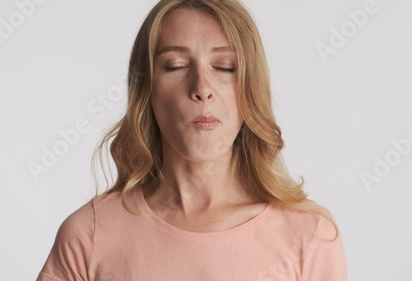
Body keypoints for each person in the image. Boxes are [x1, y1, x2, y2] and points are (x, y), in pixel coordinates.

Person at [36, 0, 347, 280]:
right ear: (146, 91)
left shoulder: (310, 234)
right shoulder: (89, 235)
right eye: (176, 66)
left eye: (225, 67)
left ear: (250, 88)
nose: (202, 87)